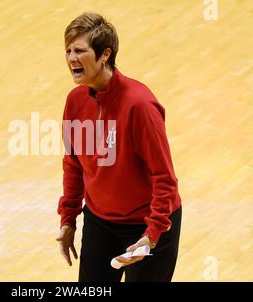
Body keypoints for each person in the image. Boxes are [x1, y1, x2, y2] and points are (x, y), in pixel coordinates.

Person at [56, 12, 182, 282]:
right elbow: (74, 164)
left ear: (105, 55)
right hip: (100, 223)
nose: (71, 58)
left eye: (80, 51)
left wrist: (151, 235)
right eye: (68, 51)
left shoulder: (140, 106)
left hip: (148, 224)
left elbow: (165, 179)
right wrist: (68, 219)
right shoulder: (75, 101)